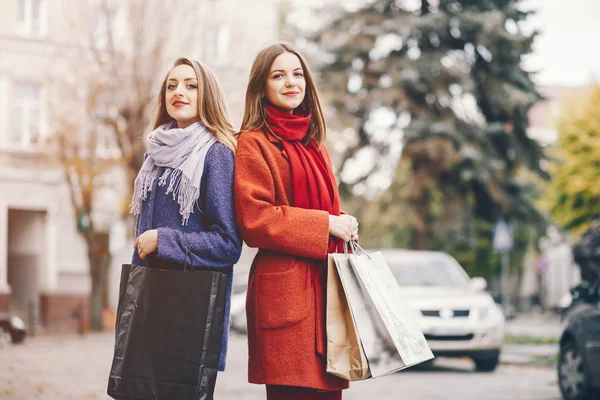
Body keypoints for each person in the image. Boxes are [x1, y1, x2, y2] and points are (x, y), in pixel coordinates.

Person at [234, 42, 359, 400]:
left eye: (297, 73)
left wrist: (343, 221)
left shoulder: (315, 144)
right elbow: (254, 218)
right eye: (278, 75)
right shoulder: (253, 143)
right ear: (263, 87)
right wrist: (325, 225)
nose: (291, 82)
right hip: (286, 296)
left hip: (327, 291)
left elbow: (329, 206)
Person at [129, 57, 242, 396]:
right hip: (149, 312)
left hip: (189, 318)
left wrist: (164, 240)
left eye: (191, 85)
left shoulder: (216, 154)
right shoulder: (155, 155)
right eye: (172, 85)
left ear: (207, 94)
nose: (179, 91)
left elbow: (227, 245)